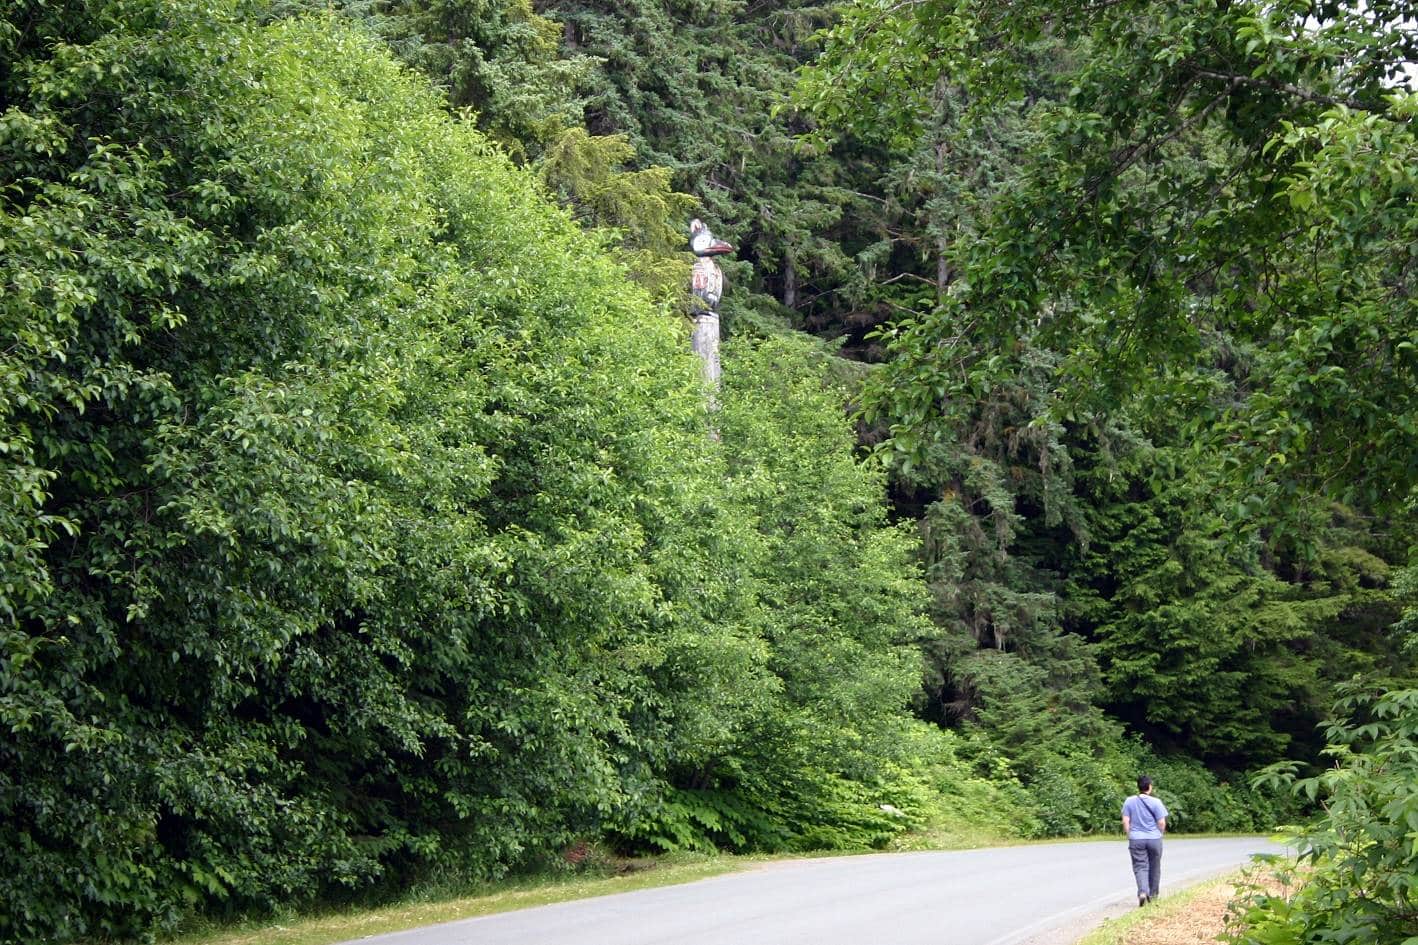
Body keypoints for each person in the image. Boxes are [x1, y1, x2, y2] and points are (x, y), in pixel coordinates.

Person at [1121, 775, 1168, 906]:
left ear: (1138, 786)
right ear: (1150, 787)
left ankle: (1142, 891)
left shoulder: (1129, 801)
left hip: (1136, 839)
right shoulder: (1156, 802)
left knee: (1140, 866)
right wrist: (1160, 834)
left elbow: (1125, 821)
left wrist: (1129, 835)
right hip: (1154, 838)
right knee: (1155, 866)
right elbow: (1161, 822)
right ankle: (1153, 895)